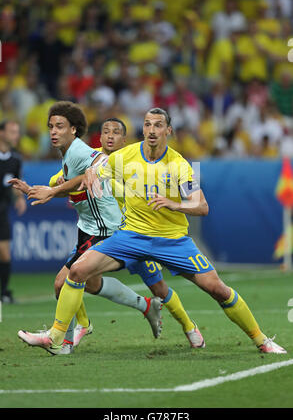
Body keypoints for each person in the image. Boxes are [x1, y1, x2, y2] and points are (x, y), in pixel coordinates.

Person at [18, 108, 287, 355]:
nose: (152, 129)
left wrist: (172, 203)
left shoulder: (179, 165)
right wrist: (88, 176)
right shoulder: (125, 156)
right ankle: (55, 336)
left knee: (217, 289)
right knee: (77, 271)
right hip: (130, 237)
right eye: (147, 124)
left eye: (158, 125)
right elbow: (93, 170)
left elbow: (202, 206)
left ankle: (261, 340)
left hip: (172, 241)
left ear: (168, 130)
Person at [13, 102, 201, 353]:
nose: (110, 136)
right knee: (79, 281)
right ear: (99, 137)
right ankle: (71, 335)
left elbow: (96, 165)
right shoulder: (84, 160)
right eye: (106, 132)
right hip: (110, 232)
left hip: (126, 231)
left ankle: (189, 327)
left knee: (158, 287)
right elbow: (72, 181)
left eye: (116, 133)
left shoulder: (118, 162)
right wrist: (51, 188)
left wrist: (57, 188)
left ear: (125, 140)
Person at [0, 120, 26, 303]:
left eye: (17, 132)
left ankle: (4, 293)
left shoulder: (15, 159)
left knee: (5, 252)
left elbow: (16, 182)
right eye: (12, 131)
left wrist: (19, 198)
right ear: (1, 133)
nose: (16, 135)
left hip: (2, 210)